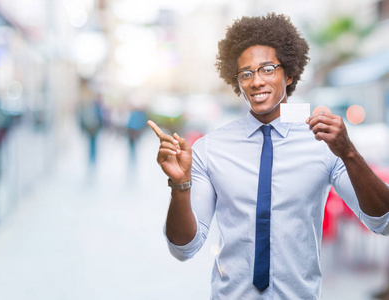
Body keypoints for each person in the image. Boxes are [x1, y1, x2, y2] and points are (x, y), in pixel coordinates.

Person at [148, 13, 389, 299]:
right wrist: (180, 185)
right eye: (246, 74)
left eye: (267, 69)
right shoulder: (210, 149)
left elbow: (383, 221)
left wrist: (348, 152)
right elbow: (183, 248)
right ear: (237, 82)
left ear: (288, 74)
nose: (256, 81)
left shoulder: (323, 142)